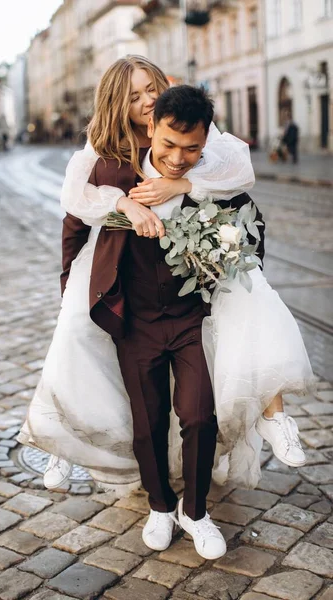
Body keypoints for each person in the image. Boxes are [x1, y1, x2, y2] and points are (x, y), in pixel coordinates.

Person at [18, 59, 312, 520]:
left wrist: (183, 180)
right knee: (77, 334)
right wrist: (119, 203)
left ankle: (268, 415)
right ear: (118, 102)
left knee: (237, 317)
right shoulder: (103, 143)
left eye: (151, 88)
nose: (147, 100)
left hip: (178, 277)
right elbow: (75, 202)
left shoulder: (184, 125)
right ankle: (66, 440)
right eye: (134, 96)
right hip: (111, 261)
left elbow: (236, 172)